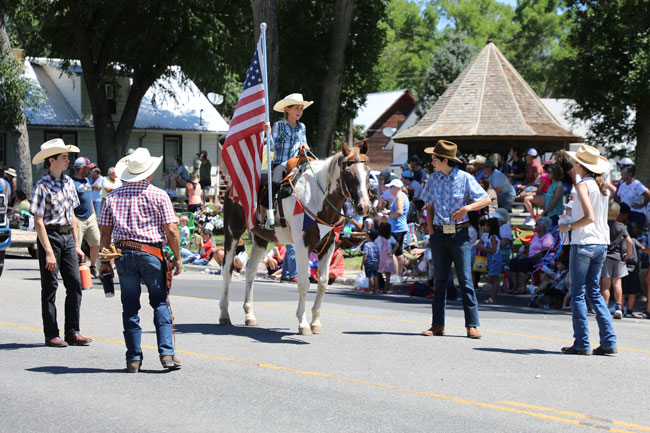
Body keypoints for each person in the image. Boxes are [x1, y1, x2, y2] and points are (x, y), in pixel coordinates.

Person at [98, 147, 183, 372]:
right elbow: (172, 230)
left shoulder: (113, 196)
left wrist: (105, 261)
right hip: (152, 253)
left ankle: (133, 358)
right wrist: (177, 257)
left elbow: (105, 233)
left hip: (123, 255)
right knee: (160, 302)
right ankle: (167, 353)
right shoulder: (158, 194)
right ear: (149, 173)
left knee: (130, 307)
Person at [420, 140, 490, 339]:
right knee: (439, 281)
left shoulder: (465, 178)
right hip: (439, 234)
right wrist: (431, 228)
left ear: (445, 160)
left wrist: (467, 209)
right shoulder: (433, 179)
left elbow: (486, 199)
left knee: (466, 279)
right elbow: (429, 204)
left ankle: (472, 325)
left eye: (435, 159)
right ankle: (437, 325)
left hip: (460, 234)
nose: (432, 162)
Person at [30, 138, 92, 348]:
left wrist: (76, 244)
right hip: (51, 236)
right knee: (50, 286)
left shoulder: (68, 183)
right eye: (64, 157)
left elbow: (73, 216)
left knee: (75, 284)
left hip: (67, 237)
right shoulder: (42, 186)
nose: (68, 161)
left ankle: (72, 331)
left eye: (67, 157)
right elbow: (38, 221)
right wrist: (47, 251)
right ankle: (51, 334)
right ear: (52, 161)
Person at [558, 144, 617, 355]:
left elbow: (589, 217)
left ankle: (582, 342)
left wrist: (568, 226)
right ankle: (609, 340)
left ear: (579, 165)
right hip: (601, 242)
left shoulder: (583, 185)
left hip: (584, 242)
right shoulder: (602, 187)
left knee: (578, 293)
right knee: (594, 292)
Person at [270, 93, 312, 198]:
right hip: (281, 163)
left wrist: (305, 147)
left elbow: (304, 143)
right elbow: (271, 147)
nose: (300, 111)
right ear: (287, 110)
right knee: (275, 182)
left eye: (301, 108)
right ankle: (268, 208)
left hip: (297, 163)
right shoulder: (278, 125)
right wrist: (268, 135)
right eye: (296, 108)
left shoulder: (302, 127)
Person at [600, 201, 633, 320]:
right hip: (619, 257)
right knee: (617, 283)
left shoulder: (603, 224)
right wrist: (628, 253)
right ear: (618, 213)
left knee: (606, 285)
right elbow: (629, 241)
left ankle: (605, 307)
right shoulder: (621, 226)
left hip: (606, 257)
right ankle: (619, 308)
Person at [71, 157, 102, 278]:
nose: (90, 171)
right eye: (87, 168)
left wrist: (94, 213)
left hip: (90, 217)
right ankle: (78, 268)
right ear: (80, 169)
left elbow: (89, 199)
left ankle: (93, 266)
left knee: (96, 241)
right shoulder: (71, 182)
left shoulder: (86, 180)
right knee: (76, 246)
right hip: (78, 218)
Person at [509, 217, 554, 294]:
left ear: (543, 227)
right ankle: (515, 286)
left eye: (537, 224)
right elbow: (530, 249)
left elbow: (545, 251)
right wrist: (527, 255)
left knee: (523, 262)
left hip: (543, 260)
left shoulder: (548, 236)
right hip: (531, 259)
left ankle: (522, 287)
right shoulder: (536, 235)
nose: (535, 226)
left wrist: (532, 256)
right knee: (513, 262)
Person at [381, 178, 409, 281]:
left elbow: (399, 213)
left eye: (391, 187)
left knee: (392, 253)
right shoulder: (403, 196)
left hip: (396, 229)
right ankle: (398, 276)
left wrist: (387, 213)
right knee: (399, 253)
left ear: (396, 187)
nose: (389, 189)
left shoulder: (399, 197)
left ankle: (395, 276)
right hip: (400, 228)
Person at [481, 217, 502, 304]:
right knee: (493, 278)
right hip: (491, 259)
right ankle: (492, 296)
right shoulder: (489, 237)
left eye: (486, 226)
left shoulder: (493, 237)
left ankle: (493, 297)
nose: (485, 228)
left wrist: (483, 248)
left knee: (495, 278)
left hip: (494, 259)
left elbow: (493, 250)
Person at [376, 221, 397, 293]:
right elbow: (397, 244)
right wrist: (393, 251)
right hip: (389, 256)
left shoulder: (379, 238)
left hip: (381, 256)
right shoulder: (390, 237)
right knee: (388, 274)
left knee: (378, 272)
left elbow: (378, 248)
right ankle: (386, 288)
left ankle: (377, 287)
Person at [361, 229, 380, 294]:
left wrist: (362, 263)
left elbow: (365, 254)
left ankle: (370, 289)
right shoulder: (376, 244)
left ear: (368, 236)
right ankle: (376, 290)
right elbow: (378, 254)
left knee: (370, 276)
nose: (365, 236)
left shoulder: (366, 245)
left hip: (369, 262)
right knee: (376, 276)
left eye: (366, 235)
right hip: (376, 262)